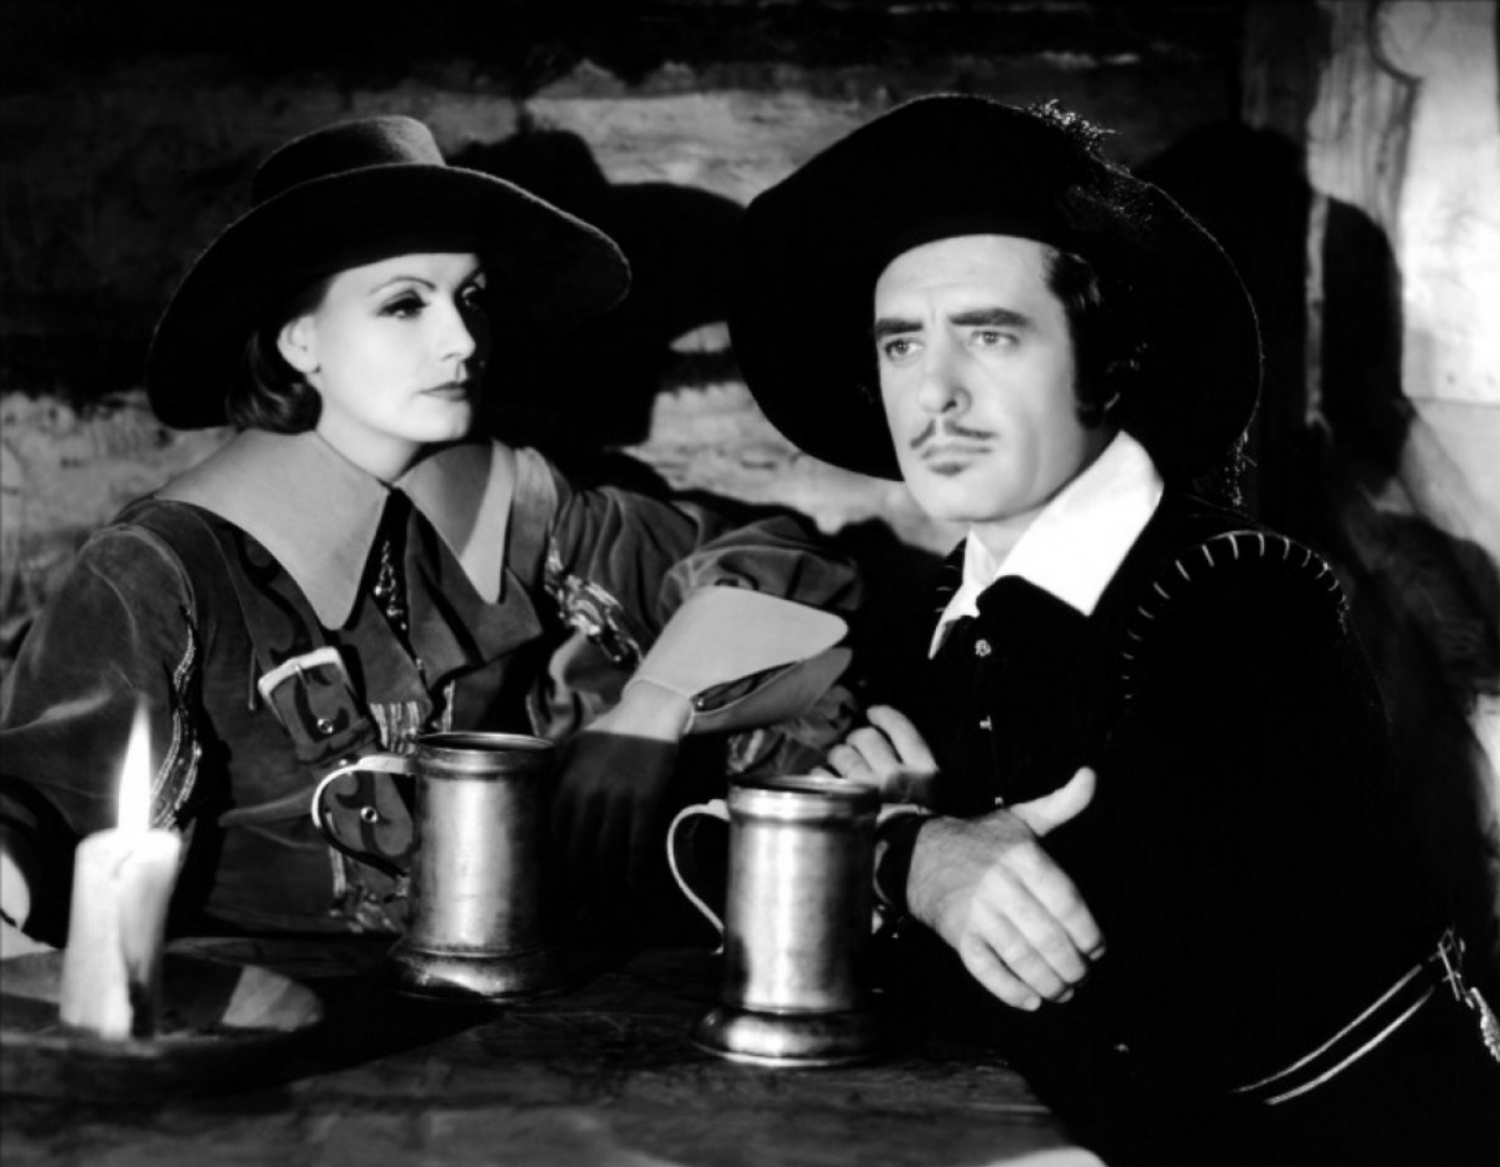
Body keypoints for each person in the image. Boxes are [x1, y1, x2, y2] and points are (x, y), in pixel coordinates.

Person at [727, 95, 1499, 1166]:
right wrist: (917, 848)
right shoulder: (939, 614)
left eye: (990, 336)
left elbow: (1136, 960)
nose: (934, 394)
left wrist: (894, 847)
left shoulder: (1242, 594)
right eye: (901, 345)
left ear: (1105, 362)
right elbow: (741, 863)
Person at [0, 115, 859, 954]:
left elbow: (786, 568)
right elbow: (46, 807)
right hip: (268, 1005)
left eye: (471, 298)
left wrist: (655, 705)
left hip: (522, 988)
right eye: (405, 304)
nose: (462, 339)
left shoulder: (522, 505)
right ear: (301, 341)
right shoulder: (163, 567)